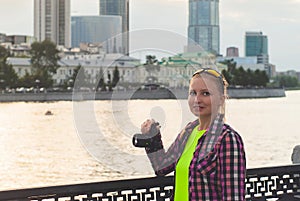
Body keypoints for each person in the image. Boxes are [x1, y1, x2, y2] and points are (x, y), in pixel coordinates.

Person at [139, 68, 246, 201]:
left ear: (221, 100)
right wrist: (152, 136)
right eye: (193, 93)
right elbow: (161, 167)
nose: (197, 99)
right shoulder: (189, 132)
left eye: (205, 93)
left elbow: (233, 197)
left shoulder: (227, 139)